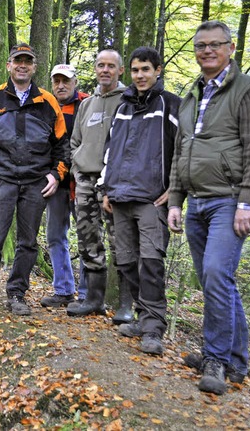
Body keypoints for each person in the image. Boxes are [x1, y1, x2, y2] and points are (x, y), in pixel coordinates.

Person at [167, 21, 250, 394]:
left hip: (230, 200)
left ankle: (215, 357)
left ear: (231, 48)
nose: (207, 51)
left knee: (215, 272)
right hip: (196, 201)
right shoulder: (192, 95)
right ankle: (237, 360)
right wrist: (176, 200)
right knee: (218, 279)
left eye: (216, 45)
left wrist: (249, 200)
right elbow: (181, 152)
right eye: (201, 46)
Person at [0, 43, 71, 325]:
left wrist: (56, 174)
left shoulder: (47, 102)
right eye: (17, 61)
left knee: (27, 243)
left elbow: (63, 145)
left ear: (34, 67)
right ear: (9, 65)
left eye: (27, 61)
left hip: (36, 182)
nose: (22, 65)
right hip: (2, 180)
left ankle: (16, 294)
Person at [99, 47, 180, 355]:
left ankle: (153, 328)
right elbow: (110, 150)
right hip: (118, 196)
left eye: (146, 69)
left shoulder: (171, 104)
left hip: (152, 199)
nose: (140, 75)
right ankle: (139, 316)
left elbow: (185, 149)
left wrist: (175, 189)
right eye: (135, 70)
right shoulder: (123, 106)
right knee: (127, 262)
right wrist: (105, 188)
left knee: (151, 262)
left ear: (157, 70)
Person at [67, 49, 132, 322]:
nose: (105, 70)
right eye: (100, 65)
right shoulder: (86, 104)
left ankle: (127, 307)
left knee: (121, 242)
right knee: (87, 240)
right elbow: (74, 142)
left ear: (120, 70)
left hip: (116, 184)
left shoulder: (129, 100)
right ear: (95, 69)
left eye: (110, 66)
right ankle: (93, 299)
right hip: (85, 181)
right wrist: (77, 169)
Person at [40, 64, 89, 308]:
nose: (61, 85)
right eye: (56, 81)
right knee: (55, 235)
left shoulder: (88, 105)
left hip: (84, 183)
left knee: (88, 236)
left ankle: (89, 295)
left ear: (75, 82)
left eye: (66, 81)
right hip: (56, 182)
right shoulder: (46, 106)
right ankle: (63, 290)